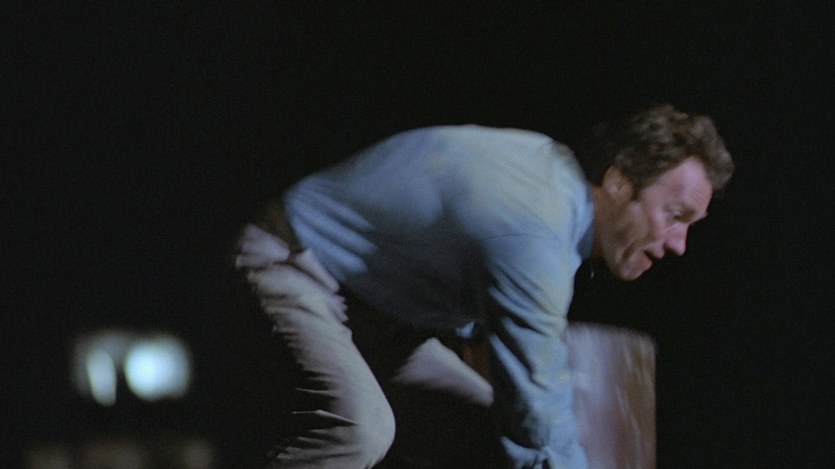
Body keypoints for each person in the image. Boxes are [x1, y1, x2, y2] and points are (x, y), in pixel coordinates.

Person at [233, 104, 734, 468]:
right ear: (620, 181)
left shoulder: (553, 193)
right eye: (675, 216)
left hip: (378, 318)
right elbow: (537, 408)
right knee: (358, 427)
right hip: (289, 263)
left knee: (486, 438)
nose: (679, 244)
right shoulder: (534, 225)